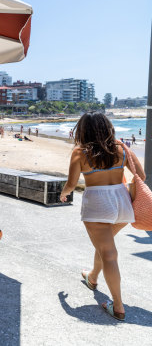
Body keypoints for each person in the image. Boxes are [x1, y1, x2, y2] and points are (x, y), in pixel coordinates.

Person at [59, 112, 145, 321]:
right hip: (122, 206)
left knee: (108, 253)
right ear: (107, 128)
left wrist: (63, 193)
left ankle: (118, 306)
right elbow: (140, 176)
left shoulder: (80, 152)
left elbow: (71, 184)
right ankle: (92, 277)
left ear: (83, 130)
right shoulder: (121, 148)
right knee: (105, 246)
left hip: (98, 205)